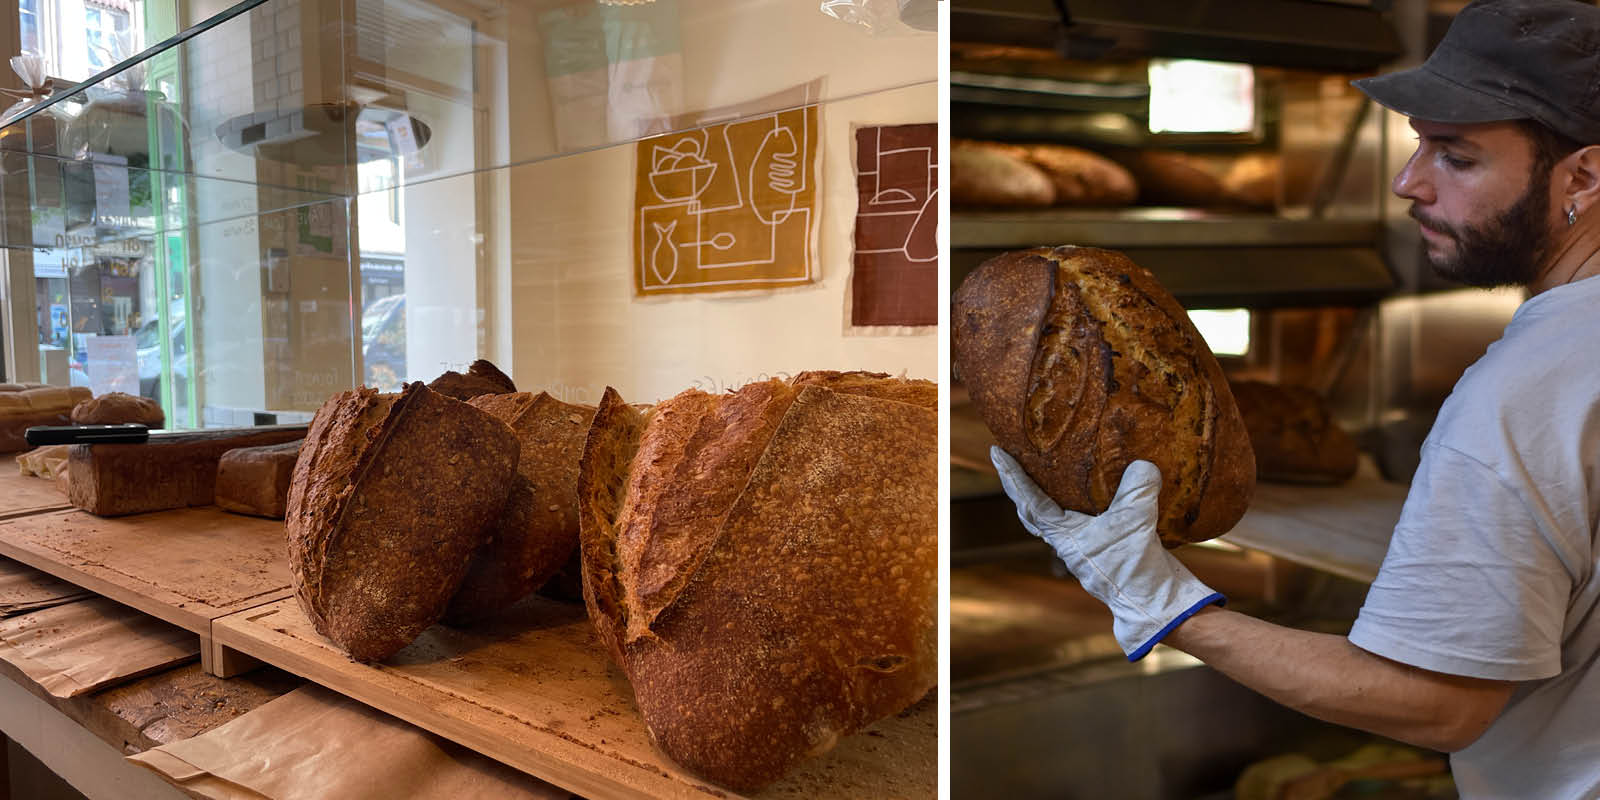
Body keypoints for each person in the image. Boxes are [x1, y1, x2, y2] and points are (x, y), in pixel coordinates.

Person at [990, 1, 1600, 796]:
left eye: (1455, 156)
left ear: (1582, 177)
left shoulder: (1522, 395)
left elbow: (1437, 702)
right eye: (1418, 143)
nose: (1407, 182)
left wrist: (1162, 603)